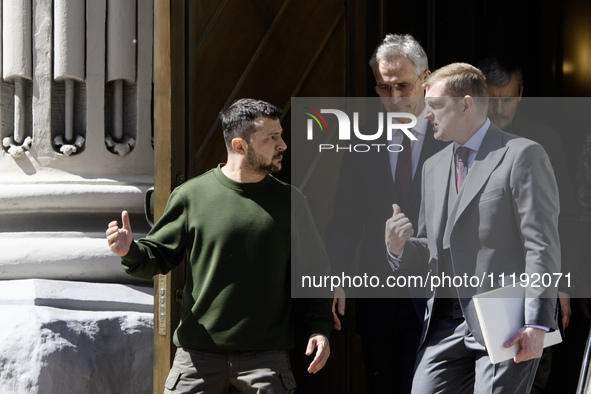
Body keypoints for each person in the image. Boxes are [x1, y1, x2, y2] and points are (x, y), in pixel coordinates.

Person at [106, 98, 334, 394]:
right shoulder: (191, 196)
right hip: (196, 357)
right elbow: (158, 256)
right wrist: (129, 251)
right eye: (271, 138)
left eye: (280, 135)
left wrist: (320, 328)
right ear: (239, 146)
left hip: (266, 359)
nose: (283, 145)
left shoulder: (291, 201)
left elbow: (314, 271)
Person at [385, 63, 560, 393]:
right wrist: (398, 246)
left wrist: (537, 322)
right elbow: (432, 250)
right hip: (444, 322)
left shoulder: (522, 154)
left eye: (434, 105)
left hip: (506, 318)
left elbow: (542, 245)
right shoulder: (433, 168)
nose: (426, 116)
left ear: (465, 104)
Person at [326, 34, 447, 393]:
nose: (393, 98)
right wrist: (338, 274)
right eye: (383, 87)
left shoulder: (454, 137)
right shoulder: (362, 141)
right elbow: (345, 219)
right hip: (380, 301)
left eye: (403, 86)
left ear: (427, 80)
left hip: (439, 301)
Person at [478, 56, 586, 393]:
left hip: (531, 287)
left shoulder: (544, 141)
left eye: (506, 99)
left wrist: (564, 284)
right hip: (474, 289)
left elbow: (566, 218)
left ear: (521, 94)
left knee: (531, 378)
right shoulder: (461, 139)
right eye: (491, 100)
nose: (498, 110)